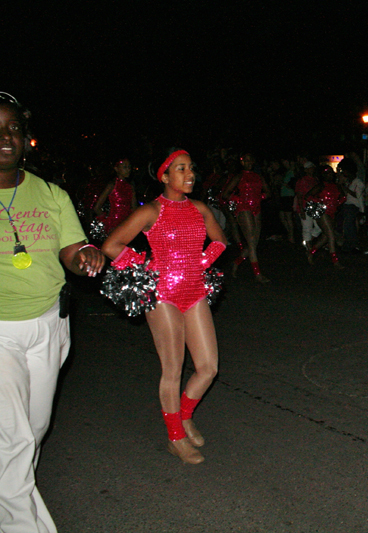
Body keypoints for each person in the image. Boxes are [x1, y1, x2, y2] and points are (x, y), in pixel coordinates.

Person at [1, 92, 106, 532]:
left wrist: (85, 256)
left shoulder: (50, 194)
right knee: (14, 437)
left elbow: (71, 250)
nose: (5, 137)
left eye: (13, 128)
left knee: (35, 428)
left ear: (26, 138)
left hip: (49, 324)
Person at [102, 149, 227, 464]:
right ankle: (175, 438)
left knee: (208, 368)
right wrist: (143, 264)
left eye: (191, 168)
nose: (190, 174)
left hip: (195, 291)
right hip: (162, 295)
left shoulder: (200, 208)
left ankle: (184, 417)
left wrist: (201, 263)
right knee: (172, 369)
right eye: (181, 169)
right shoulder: (152, 211)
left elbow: (220, 241)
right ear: (165, 176)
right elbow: (111, 245)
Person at [222, 153, 270, 282]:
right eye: (246, 161)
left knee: (254, 242)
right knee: (251, 239)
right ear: (242, 162)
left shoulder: (258, 176)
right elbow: (225, 194)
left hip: (256, 208)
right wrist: (239, 199)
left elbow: (268, 192)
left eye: (250, 160)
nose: (248, 163)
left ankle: (236, 262)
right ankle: (257, 274)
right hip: (243, 208)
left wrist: (260, 197)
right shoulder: (239, 176)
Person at [306, 164, 346, 268]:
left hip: (332, 213)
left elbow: (343, 197)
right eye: (327, 173)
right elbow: (308, 196)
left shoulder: (337, 186)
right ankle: (335, 260)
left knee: (325, 237)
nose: (330, 175)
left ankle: (311, 252)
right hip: (323, 213)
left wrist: (336, 203)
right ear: (323, 175)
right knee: (331, 235)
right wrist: (319, 203)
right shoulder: (321, 186)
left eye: (331, 173)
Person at [93, 157, 138, 235]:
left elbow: (134, 208)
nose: (128, 170)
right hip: (114, 226)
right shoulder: (112, 185)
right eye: (124, 167)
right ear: (116, 169)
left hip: (127, 224)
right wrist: (107, 222)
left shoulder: (130, 186)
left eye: (129, 167)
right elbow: (97, 207)